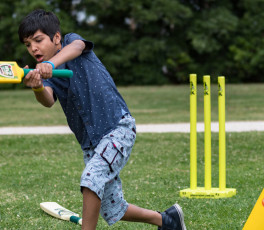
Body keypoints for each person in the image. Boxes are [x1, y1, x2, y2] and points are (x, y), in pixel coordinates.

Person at [18, 9, 186, 230]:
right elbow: (47, 100)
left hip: (117, 129)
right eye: (28, 45)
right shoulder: (48, 75)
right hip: (91, 144)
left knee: (90, 179)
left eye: (38, 40)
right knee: (112, 208)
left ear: (56, 37)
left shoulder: (71, 43)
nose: (34, 48)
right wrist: (38, 86)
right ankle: (167, 220)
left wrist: (51, 64)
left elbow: (77, 47)